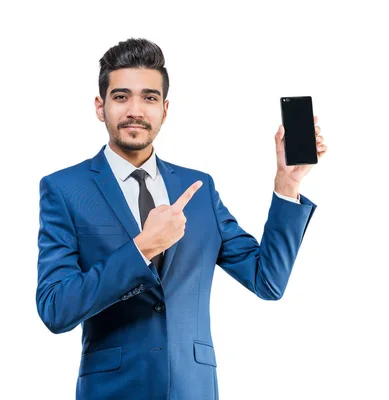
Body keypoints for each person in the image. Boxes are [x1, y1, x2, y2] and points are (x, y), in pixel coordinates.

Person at [36, 38, 327, 400]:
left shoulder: (199, 188)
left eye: (150, 98)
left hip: (194, 389)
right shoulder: (65, 188)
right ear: (101, 106)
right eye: (121, 96)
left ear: (165, 108)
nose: (135, 110)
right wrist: (142, 248)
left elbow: (266, 280)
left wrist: (287, 184)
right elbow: (55, 308)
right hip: (112, 391)